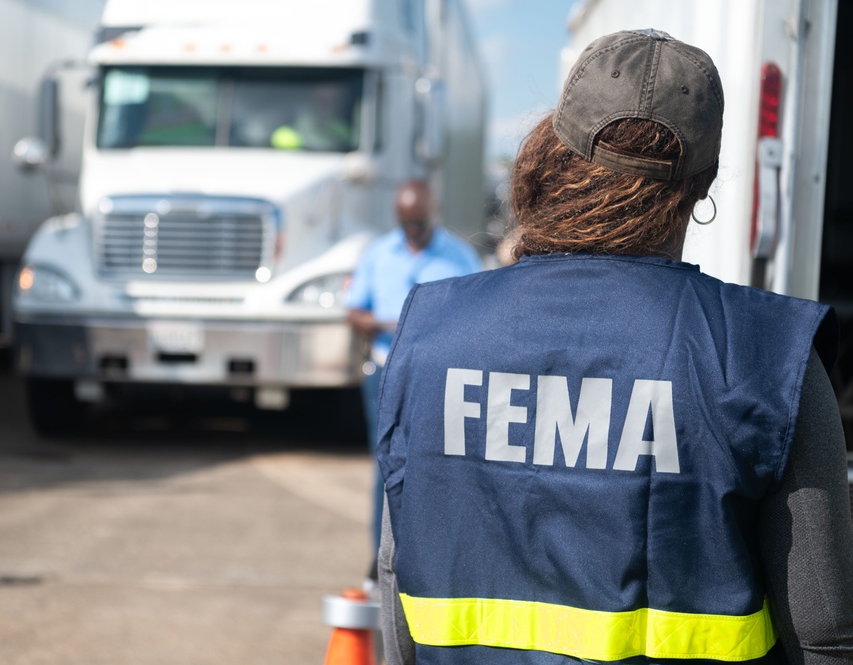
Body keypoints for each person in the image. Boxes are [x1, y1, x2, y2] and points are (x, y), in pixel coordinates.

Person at [376, 29, 853, 665]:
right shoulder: (769, 354)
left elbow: (396, 585)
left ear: (557, 150)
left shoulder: (431, 332)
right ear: (705, 181)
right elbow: (824, 633)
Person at [346, 179, 483, 583]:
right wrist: (387, 323)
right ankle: (381, 561)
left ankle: (431, 562)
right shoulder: (377, 254)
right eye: (406, 224)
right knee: (387, 467)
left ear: (432, 215)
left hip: (436, 376)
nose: (413, 232)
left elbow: (477, 310)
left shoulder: (459, 256)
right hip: (387, 370)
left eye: (419, 224)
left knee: (437, 468)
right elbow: (354, 311)